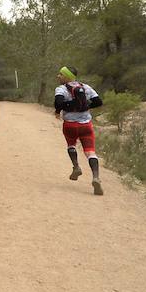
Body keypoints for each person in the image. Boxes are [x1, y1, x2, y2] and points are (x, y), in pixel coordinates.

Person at [54, 66, 104, 195]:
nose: (58, 76)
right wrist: (85, 106)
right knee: (90, 152)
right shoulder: (86, 87)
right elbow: (98, 102)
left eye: (61, 74)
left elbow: (58, 103)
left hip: (70, 125)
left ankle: (76, 166)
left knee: (71, 145)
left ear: (67, 76)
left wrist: (63, 109)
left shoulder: (61, 89)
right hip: (86, 125)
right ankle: (96, 177)